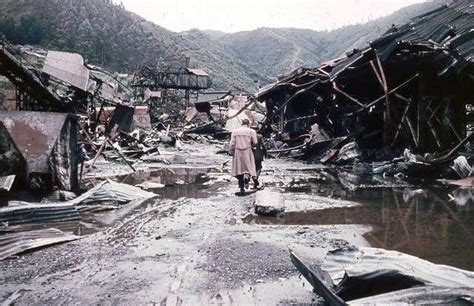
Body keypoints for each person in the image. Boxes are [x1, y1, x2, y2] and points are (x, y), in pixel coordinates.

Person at [229, 119, 257, 194]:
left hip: (238, 151)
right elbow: (255, 142)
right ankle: (247, 178)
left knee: (239, 169)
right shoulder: (251, 131)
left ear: (242, 123)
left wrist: (231, 151)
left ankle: (241, 187)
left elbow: (232, 143)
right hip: (247, 151)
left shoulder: (235, 131)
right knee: (249, 167)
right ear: (248, 124)